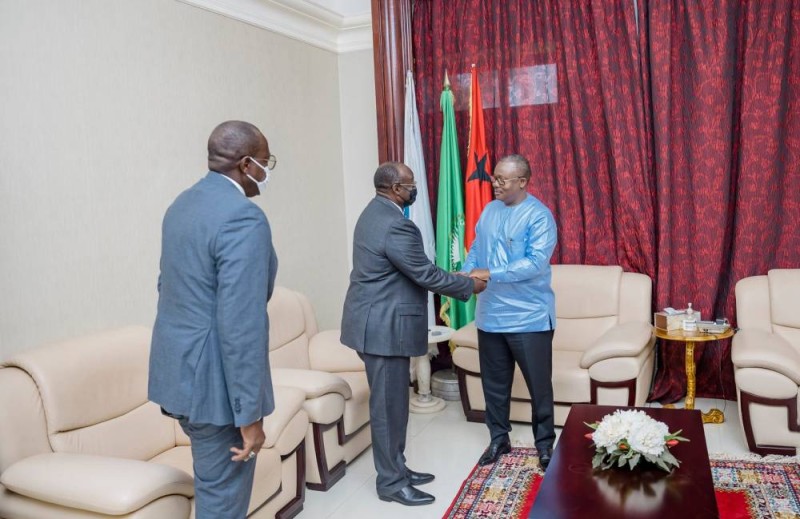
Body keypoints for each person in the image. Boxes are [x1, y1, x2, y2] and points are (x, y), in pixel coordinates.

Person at [148, 120, 279, 518]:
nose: (267, 170)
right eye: (265, 161)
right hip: (215, 389)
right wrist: (249, 414)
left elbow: (167, 286)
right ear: (245, 164)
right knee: (222, 501)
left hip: (179, 377)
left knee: (212, 487)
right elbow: (240, 325)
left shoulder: (181, 204)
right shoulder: (243, 217)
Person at [341, 162, 487, 506]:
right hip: (383, 328)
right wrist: (469, 284)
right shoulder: (396, 225)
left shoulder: (373, 212)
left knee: (392, 404)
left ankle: (399, 469)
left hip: (374, 322)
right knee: (389, 408)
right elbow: (425, 275)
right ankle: (391, 483)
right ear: (395, 189)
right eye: (410, 184)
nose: (414, 189)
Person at [462, 154, 558, 471]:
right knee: (495, 386)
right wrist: (465, 275)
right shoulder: (489, 211)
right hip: (490, 317)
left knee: (539, 388)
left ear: (522, 182)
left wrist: (488, 274)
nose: (495, 184)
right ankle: (498, 439)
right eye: (495, 178)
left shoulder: (540, 216)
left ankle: (544, 446)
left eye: (503, 179)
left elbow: (534, 264)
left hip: (529, 319)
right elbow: (476, 248)